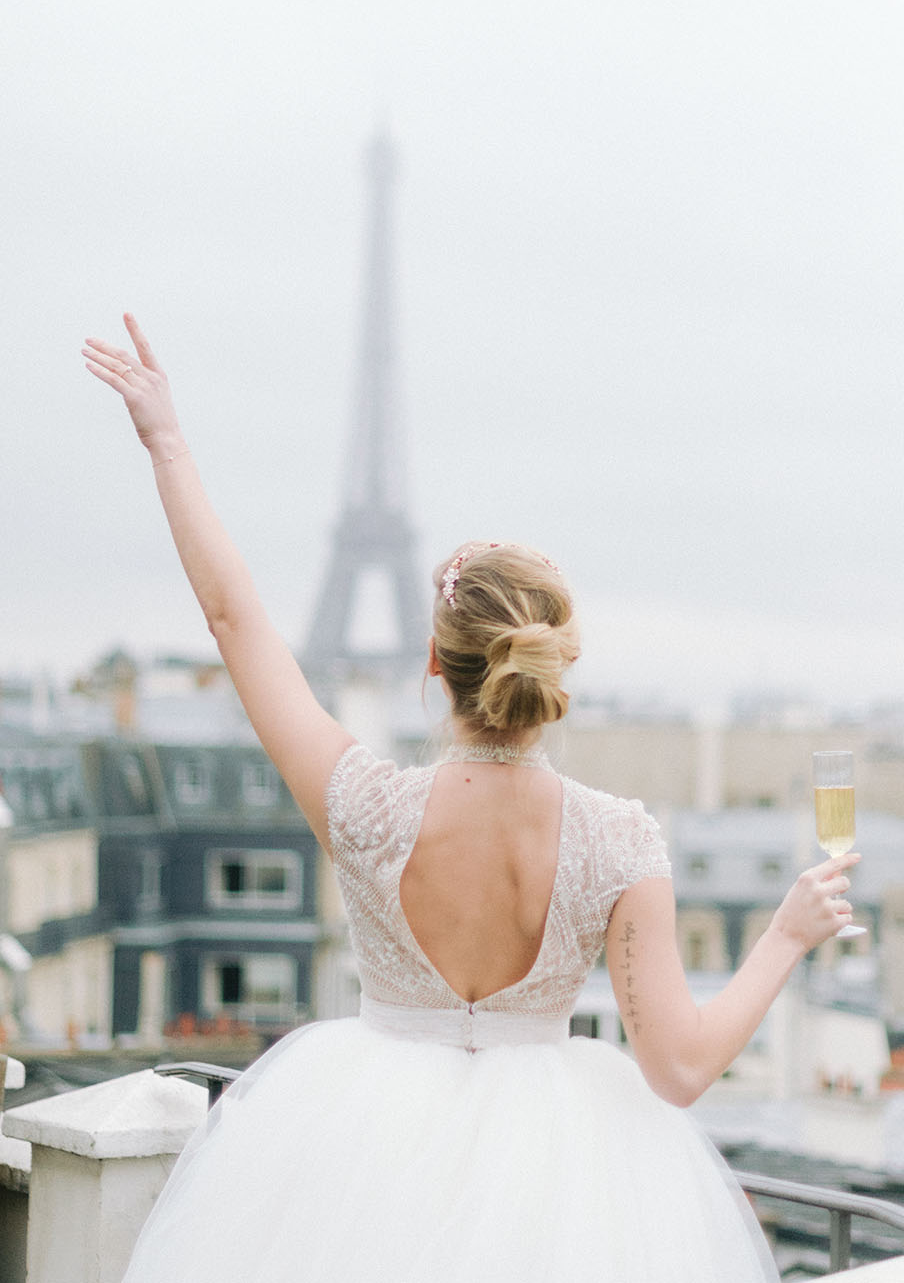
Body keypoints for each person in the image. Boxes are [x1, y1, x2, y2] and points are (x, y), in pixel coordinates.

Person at [83, 315, 859, 1282]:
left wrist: (169, 442)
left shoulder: (363, 807)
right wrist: (785, 934)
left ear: (434, 667)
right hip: (562, 1188)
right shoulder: (620, 842)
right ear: (558, 671)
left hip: (352, 1160)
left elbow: (232, 617)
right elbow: (683, 1069)